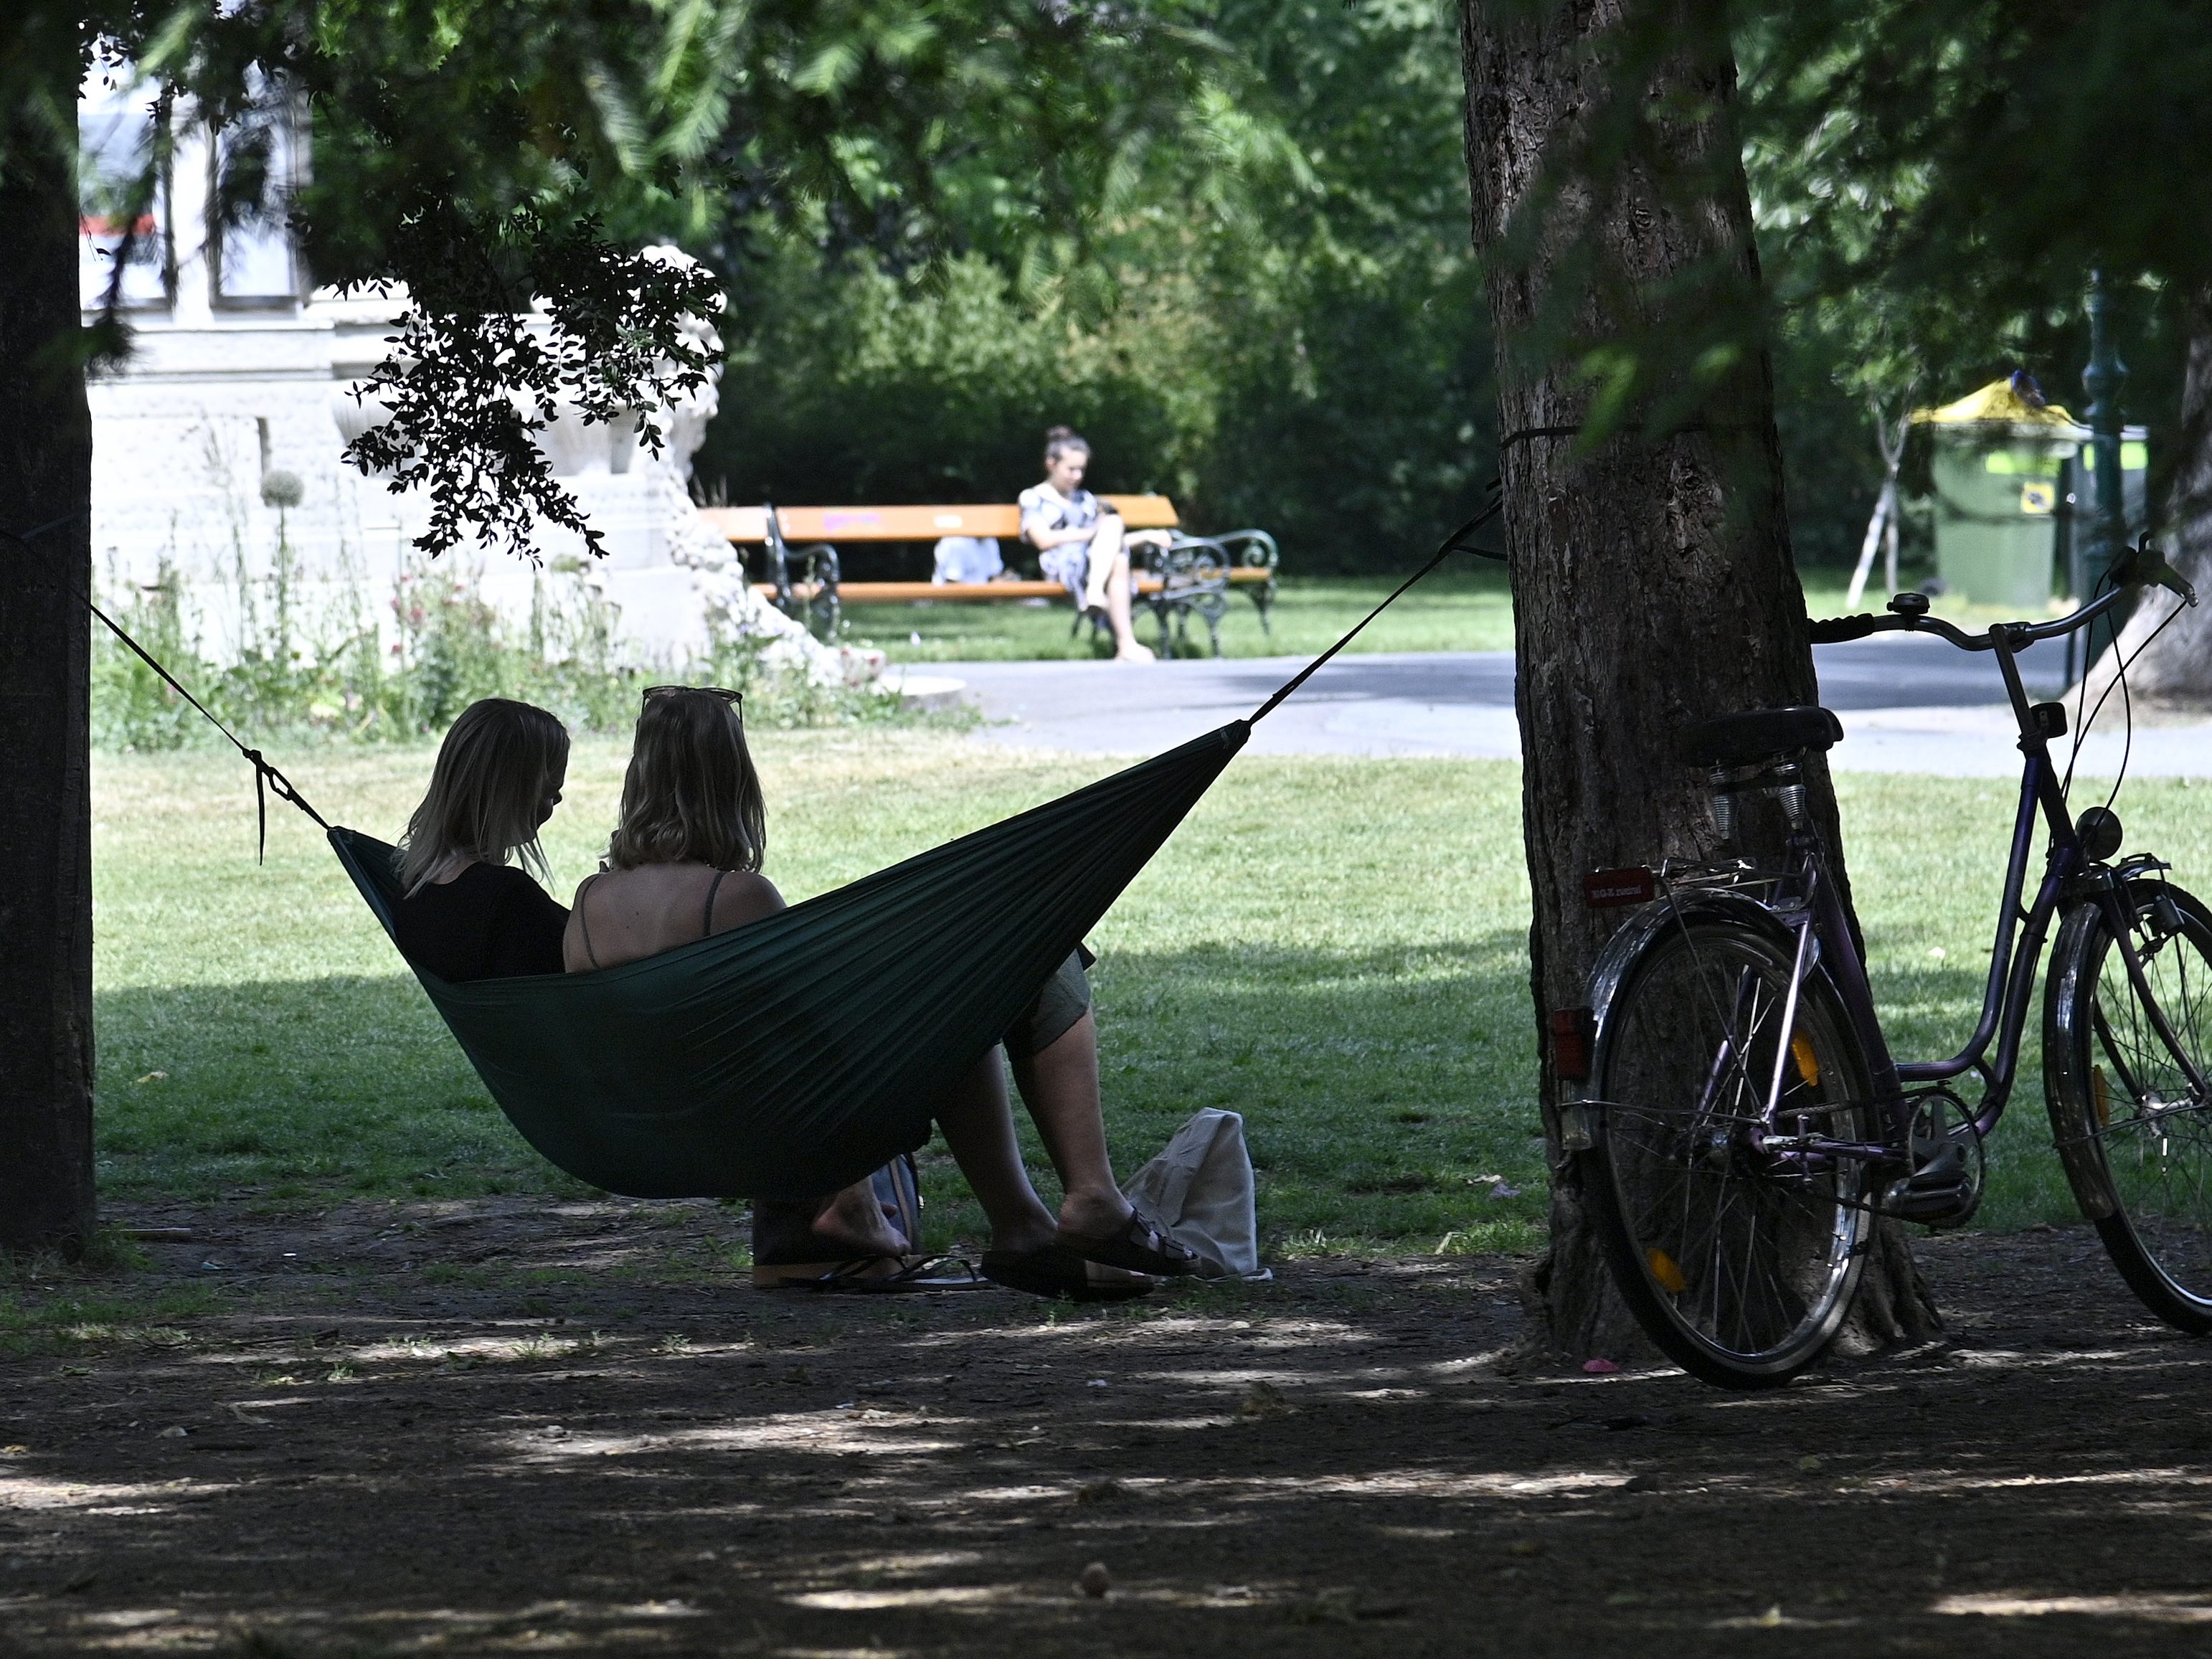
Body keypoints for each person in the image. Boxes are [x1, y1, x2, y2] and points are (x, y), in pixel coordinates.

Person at [567, 684, 1201, 1299]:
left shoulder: (588, 906)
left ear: (639, 780)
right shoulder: (737, 899)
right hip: (779, 1127)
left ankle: (1029, 1223)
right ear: (733, 781)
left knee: (958, 988)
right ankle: (1083, 1199)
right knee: (1002, 974)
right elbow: (810, 1031)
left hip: (668, 1130)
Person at [390, 699, 572, 982]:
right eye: (549, 790)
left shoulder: (413, 884)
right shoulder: (509, 899)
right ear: (512, 794)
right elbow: (588, 962)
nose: (558, 799)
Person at [1018, 426, 1170, 663]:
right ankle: (1116, 628)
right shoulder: (1033, 497)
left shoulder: (1085, 499)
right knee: (1114, 539)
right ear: (1051, 464)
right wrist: (1090, 533)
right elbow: (1044, 540)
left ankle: (1121, 637)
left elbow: (1106, 543)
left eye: (1081, 470)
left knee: (1118, 552)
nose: (1077, 476)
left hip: (1093, 562)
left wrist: (1145, 536)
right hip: (1061, 564)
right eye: (1071, 469)